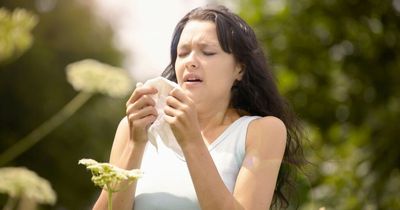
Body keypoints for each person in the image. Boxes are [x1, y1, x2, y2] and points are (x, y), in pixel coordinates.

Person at [93, 4, 305, 210]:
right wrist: (135, 143)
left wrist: (192, 141)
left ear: (239, 69)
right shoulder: (134, 128)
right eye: (183, 53)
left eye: (208, 52)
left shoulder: (262, 131)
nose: (190, 62)